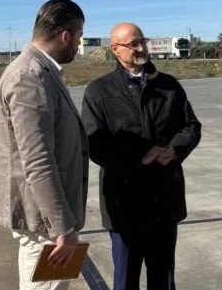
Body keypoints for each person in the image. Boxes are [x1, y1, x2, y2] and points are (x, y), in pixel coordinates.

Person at [81, 23, 201, 290]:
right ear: (115, 50)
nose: (141, 48)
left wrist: (175, 150)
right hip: (124, 205)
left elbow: (190, 126)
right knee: (126, 279)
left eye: (142, 41)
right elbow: (96, 144)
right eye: (133, 44)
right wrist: (139, 157)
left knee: (163, 277)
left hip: (164, 201)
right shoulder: (99, 92)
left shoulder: (168, 85)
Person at [0, 0, 88, 290]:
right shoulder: (29, 77)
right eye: (79, 38)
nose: (78, 46)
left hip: (45, 220)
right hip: (44, 225)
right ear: (64, 36)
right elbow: (37, 160)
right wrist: (61, 228)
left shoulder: (41, 71)